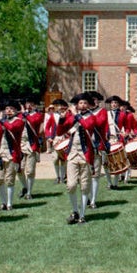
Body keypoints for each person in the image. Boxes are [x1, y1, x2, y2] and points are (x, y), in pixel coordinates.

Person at [57, 93, 99, 224]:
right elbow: (59, 132)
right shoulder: (73, 117)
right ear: (77, 105)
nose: (83, 105)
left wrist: (76, 115)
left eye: (85, 103)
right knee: (71, 185)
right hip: (72, 154)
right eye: (81, 103)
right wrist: (62, 119)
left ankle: (82, 215)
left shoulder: (91, 117)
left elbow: (87, 126)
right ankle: (75, 210)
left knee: (85, 185)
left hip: (86, 154)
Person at [0, 101, 25, 211]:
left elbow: (12, 128)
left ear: (16, 110)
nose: (8, 111)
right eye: (7, 108)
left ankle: (9, 203)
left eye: (11, 109)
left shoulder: (19, 121)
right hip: (0, 153)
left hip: (12, 154)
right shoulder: (2, 121)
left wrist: (1, 121)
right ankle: (3, 202)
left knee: (9, 179)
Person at [17, 98, 43, 200]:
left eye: (31, 103)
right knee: (19, 169)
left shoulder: (38, 115)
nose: (29, 105)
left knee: (30, 171)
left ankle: (29, 192)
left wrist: (24, 114)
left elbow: (33, 122)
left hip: (31, 145)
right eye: (28, 103)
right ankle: (25, 186)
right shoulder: (20, 116)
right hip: (20, 144)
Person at [86, 91, 108, 208]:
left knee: (95, 175)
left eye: (95, 99)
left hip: (97, 146)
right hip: (85, 147)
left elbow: (99, 123)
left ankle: (93, 200)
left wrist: (86, 116)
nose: (93, 101)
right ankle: (88, 197)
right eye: (91, 99)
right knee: (85, 175)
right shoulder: (85, 113)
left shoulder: (102, 111)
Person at [45, 100, 69, 184]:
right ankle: (57, 176)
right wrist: (48, 137)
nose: (60, 108)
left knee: (63, 159)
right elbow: (47, 127)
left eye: (62, 106)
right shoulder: (53, 116)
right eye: (59, 106)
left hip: (65, 139)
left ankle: (62, 177)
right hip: (55, 139)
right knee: (55, 159)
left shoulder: (69, 115)